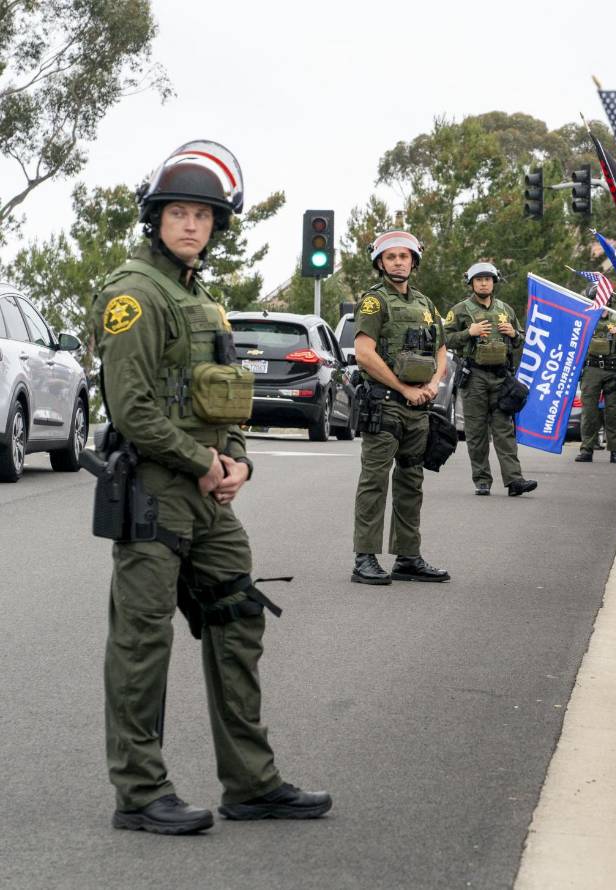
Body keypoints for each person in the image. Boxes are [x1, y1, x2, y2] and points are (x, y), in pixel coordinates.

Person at [93, 141, 330, 834]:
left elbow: (226, 400)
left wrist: (237, 459)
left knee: (236, 617)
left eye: (203, 215)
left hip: (206, 493)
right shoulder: (134, 295)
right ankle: (139, 792)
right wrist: (201, 462)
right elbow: (131, 409)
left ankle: (251, 783)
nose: (191, 225)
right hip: (156, 493)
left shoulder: (204, 304)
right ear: (156, 219)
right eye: (179, 213)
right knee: (142, 643)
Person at [350, 231, 450, 585]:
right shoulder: (374, 303)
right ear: (380, 263)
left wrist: (434, 384)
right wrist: (404, 388)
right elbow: (364, 353)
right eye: (390, 257)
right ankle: (364, 558)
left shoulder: (426, 305)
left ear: (413, 262)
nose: (397, 262)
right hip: (385, 405)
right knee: (374, 482)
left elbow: (440, 350)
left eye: (403, 257)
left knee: (412, 481)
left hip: (418, 409)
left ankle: (408, 556)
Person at [445, 262, 537, 497]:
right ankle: (482, 479)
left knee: (505, 430)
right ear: (471, 283)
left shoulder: (505, 309)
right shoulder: (460, 310)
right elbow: (444, 339)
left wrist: (514, 334)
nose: (484, 283)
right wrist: (469, 333)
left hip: (500, 377)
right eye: (479, 279)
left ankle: (514, 480)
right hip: (474, 376)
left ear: (494, 282)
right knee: (476, 432)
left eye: (487, 279)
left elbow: (520, 340)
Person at [575, 288, 616, 463]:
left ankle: (615, 451)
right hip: (591, 370)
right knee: (589, 412)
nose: (601, 301)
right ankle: (587, 449)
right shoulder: (585, 319)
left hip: (612, 370)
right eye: (596, 298)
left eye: (604, 298)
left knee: (613, 412)